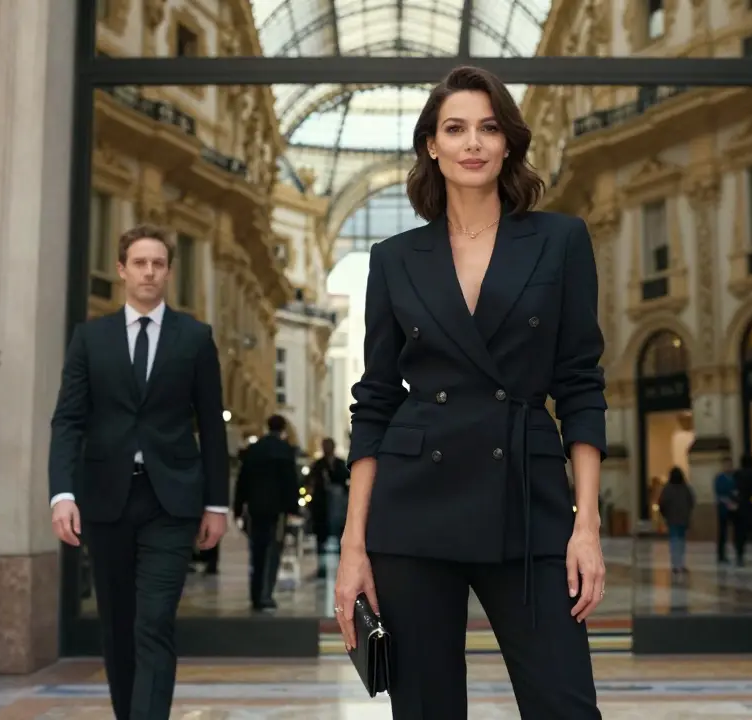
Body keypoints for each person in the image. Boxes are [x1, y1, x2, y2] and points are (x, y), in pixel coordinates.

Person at [334, 65, 607, 718]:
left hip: (528, 495)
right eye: (455, 129)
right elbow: (373, 403)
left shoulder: (560, 240)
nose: (473, 142)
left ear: (508, 142)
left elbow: (579, 386)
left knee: (566, 704)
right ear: (432, 144)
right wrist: (353, 549)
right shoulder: (395, 258)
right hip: (413, 507)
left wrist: (587, 526)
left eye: (488, 127)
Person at [48, 224, 231, 720]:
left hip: (170, 501)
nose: (149, 272)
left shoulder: (195, 338)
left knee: (153, 622)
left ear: (168, 272)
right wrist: (61, 493)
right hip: (105, 500)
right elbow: (68, 419)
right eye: (140, 263)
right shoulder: (91, 338)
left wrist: (217, 502)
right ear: (122, 269)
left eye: (158, 264)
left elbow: (211, 425)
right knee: (118, 626)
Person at [233, 415, 300, 610]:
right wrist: (292, 508)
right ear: (283, 428)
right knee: (273, 551)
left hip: (255, 507)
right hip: (276, 509)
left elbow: (242, 480)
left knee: (257, 551)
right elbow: (290, 482)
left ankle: (255, 593)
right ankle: (266, 594)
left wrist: (238, 507)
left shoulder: (255, 449)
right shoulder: (284, 451)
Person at [307, 437, 350, 577]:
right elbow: (310, 483)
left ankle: (342, 567)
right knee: (321, 537)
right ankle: (321, 568)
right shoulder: (318, 465)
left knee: (340, 537)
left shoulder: (340, 464)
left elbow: (346, 480)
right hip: (322, 507)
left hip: (338, 507)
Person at [657, 467, 696, 576]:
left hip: (672, 519)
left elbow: (662, 503)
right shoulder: (685, 488)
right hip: (683, 519)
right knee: (681, 542)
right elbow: (692, 501)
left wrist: (665, 515)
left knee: (674, 542)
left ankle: (675, 565)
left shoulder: (667, 489)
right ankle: (681, 564)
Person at [712, 455, 737, 563]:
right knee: (722, 533)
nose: (728, 467)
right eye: (726, 465)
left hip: (735, 508)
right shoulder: (719, 478)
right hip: (723, 509)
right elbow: (718, 492)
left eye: (730, 465)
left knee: (736, 532)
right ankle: (721, 555)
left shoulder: (735, 477)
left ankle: (737, 553)